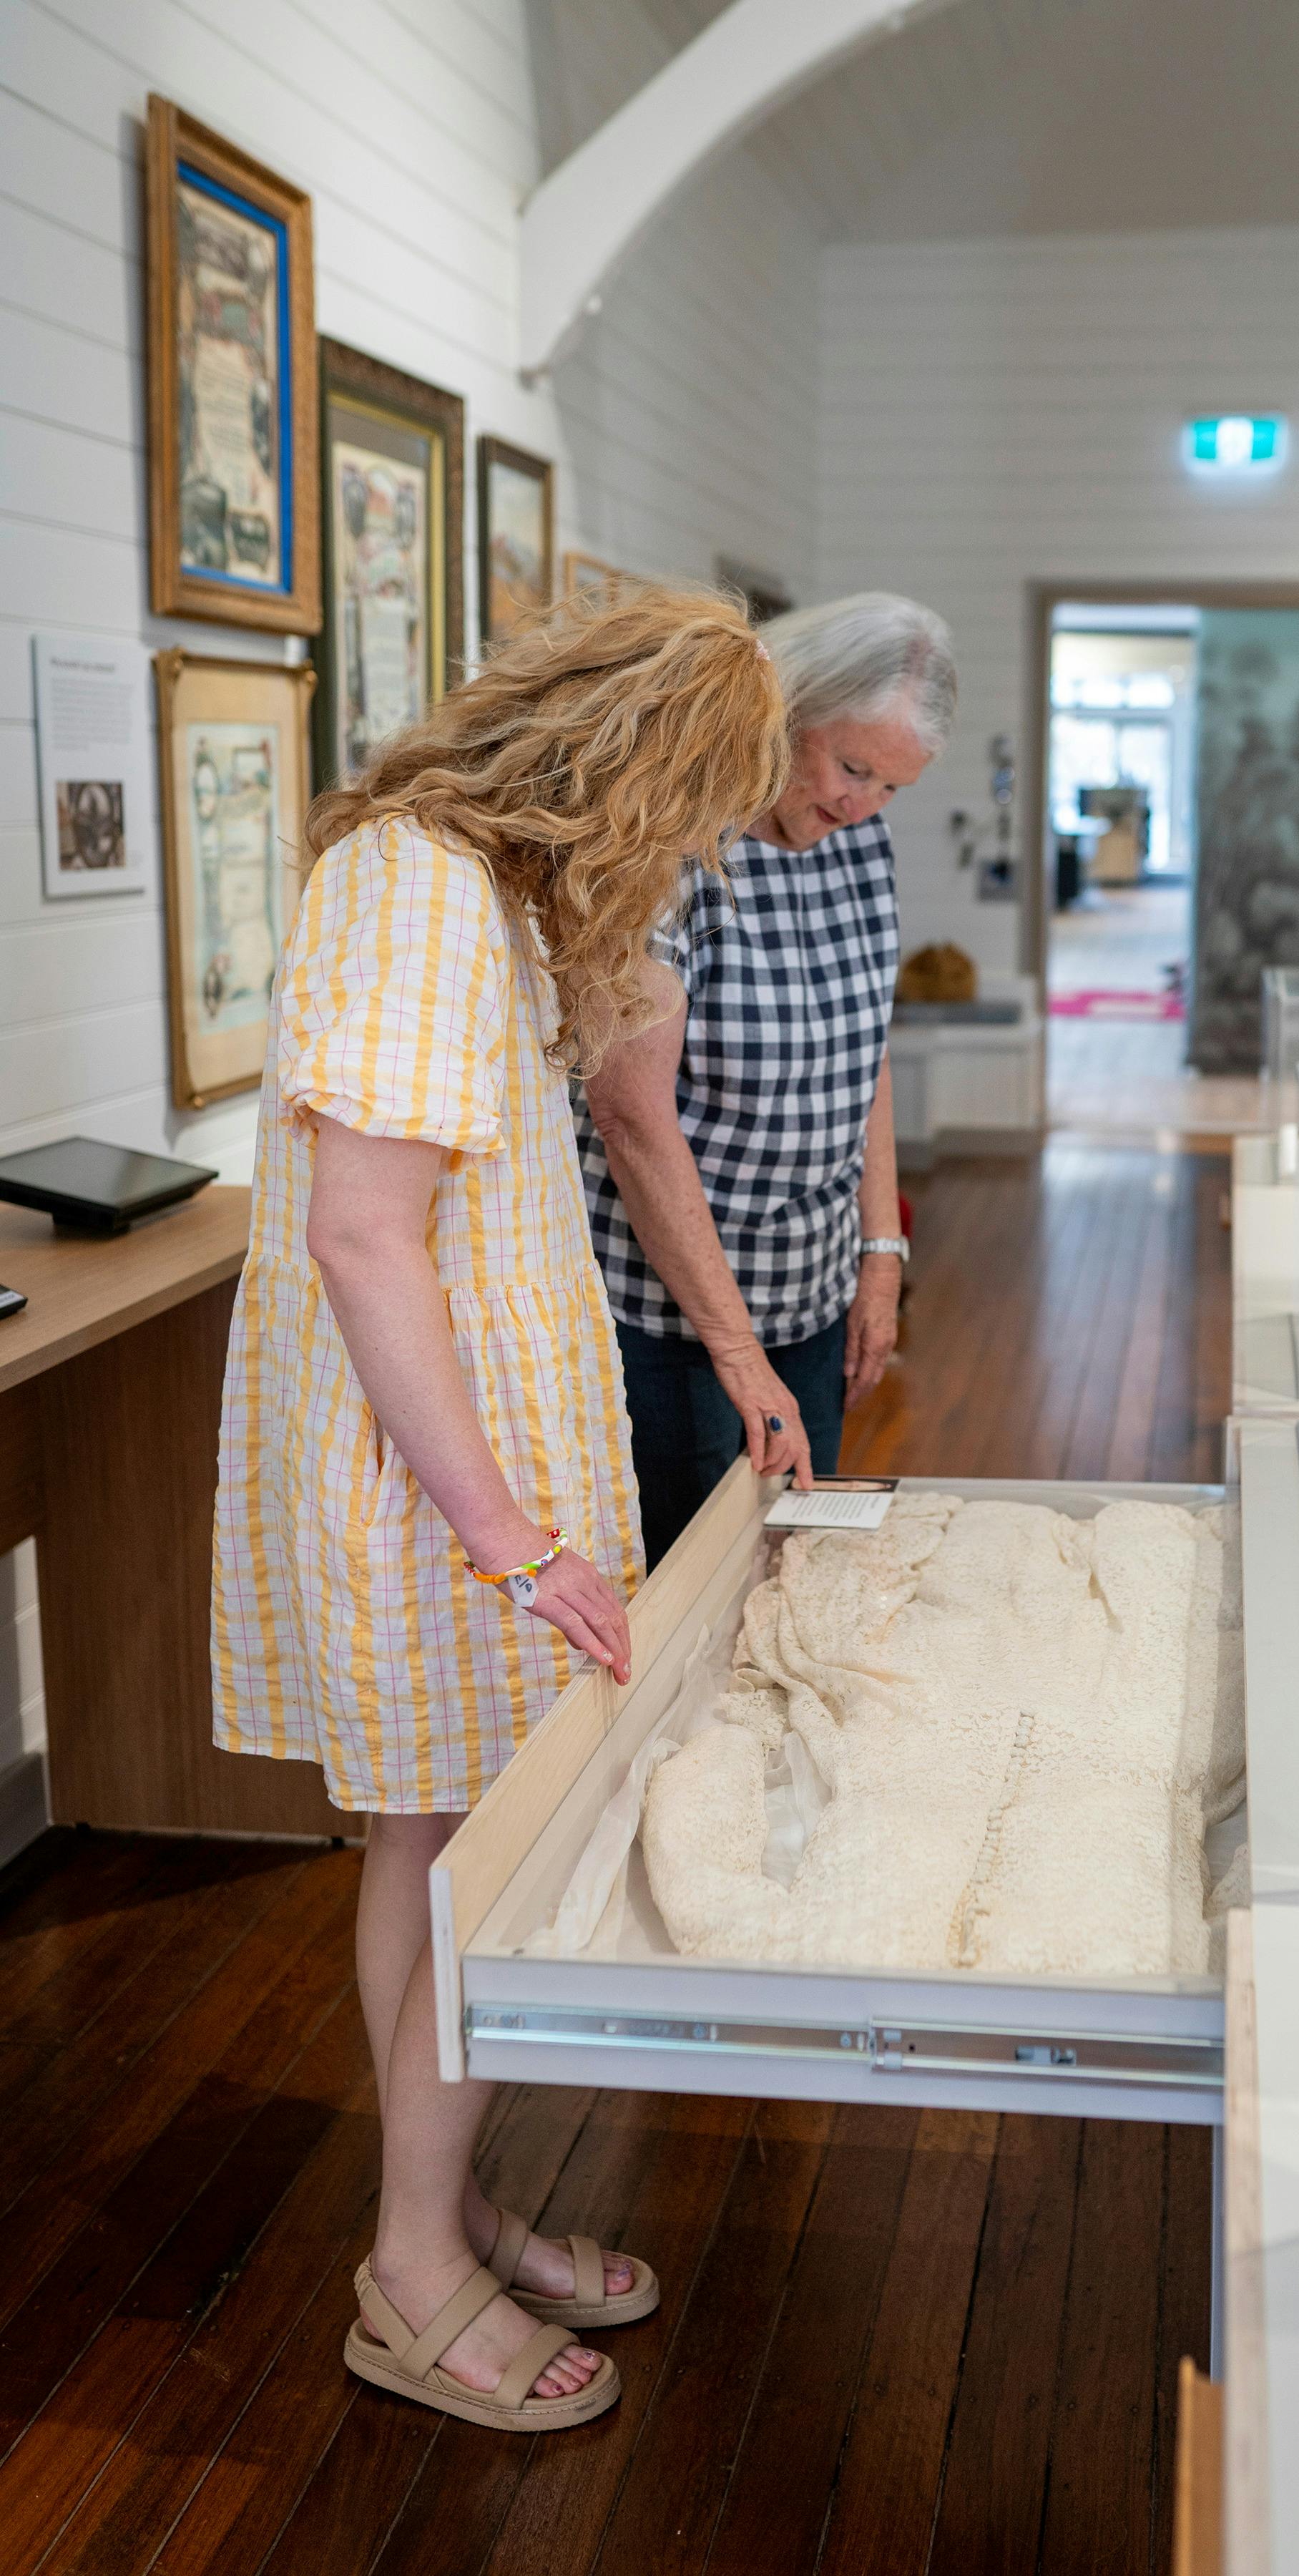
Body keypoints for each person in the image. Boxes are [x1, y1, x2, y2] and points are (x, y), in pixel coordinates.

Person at [210, 588, 788, 2431]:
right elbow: (363, 1236)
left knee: (452, 1853)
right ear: (624, 769)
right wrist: (508, 1535)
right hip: (429, 1470)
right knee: (471, 1863)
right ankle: (409, 2272)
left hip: (488, 1448)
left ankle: (444, 2203)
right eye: (694, 811)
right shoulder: (411, 882)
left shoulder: (503, 897)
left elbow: (613, 1115)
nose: (695, 852)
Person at [578, 591, 957, 1567]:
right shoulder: (673, 835)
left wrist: (881, 1254)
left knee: (797, 1556)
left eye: (891, 789)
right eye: (851, 768)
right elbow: (629, 1112)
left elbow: (860, 1042)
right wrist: (736, 1353)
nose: (861, 806)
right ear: (784, 707)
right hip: (677, 1311)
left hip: (814, 1287)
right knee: (711, 1582)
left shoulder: (854, 834)